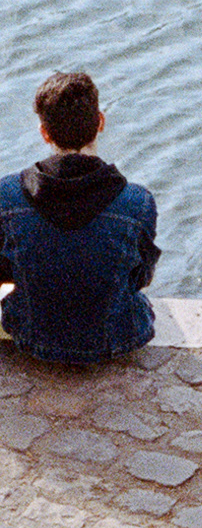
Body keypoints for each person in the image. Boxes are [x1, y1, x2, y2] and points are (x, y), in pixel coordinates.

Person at [0, 71, 159, 366]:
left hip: (32, 336)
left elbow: (2, 273)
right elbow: (140, 279)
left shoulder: (6, 197)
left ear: (45, 133)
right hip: (116, 339)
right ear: (100, 122)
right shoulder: (138, 202)